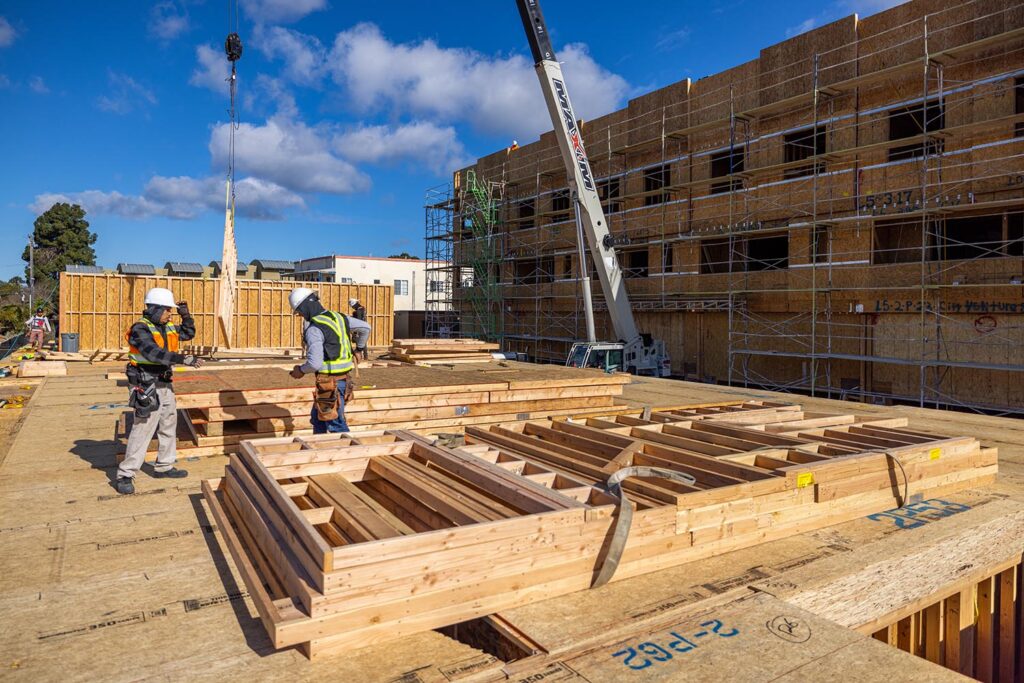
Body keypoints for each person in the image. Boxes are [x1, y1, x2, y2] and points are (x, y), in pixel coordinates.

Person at [116, 288, 204, 495]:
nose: (169, 314)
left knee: (168, 423)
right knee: (144, 427)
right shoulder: (140, 328)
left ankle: (164, 466)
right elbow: (153, 354)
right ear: (154, 309)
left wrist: (186, 314)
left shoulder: (168, 326)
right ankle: (126, 474)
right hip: (145, 383)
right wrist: (184, 359)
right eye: (167, 310)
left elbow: (188, 333)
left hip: (164, 382)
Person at [290, 288, 354, 434]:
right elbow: (365, 327)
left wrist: (300, 370)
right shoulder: (339, 317)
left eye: (299, 311)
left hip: (329, 385)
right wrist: (359, 348)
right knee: (318, 419)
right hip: (343, 380)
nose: (300, 315)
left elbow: (314, 363)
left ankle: (351, 453)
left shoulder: (314, 328)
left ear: (304, 306)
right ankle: (318, 450)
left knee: (335, 423)